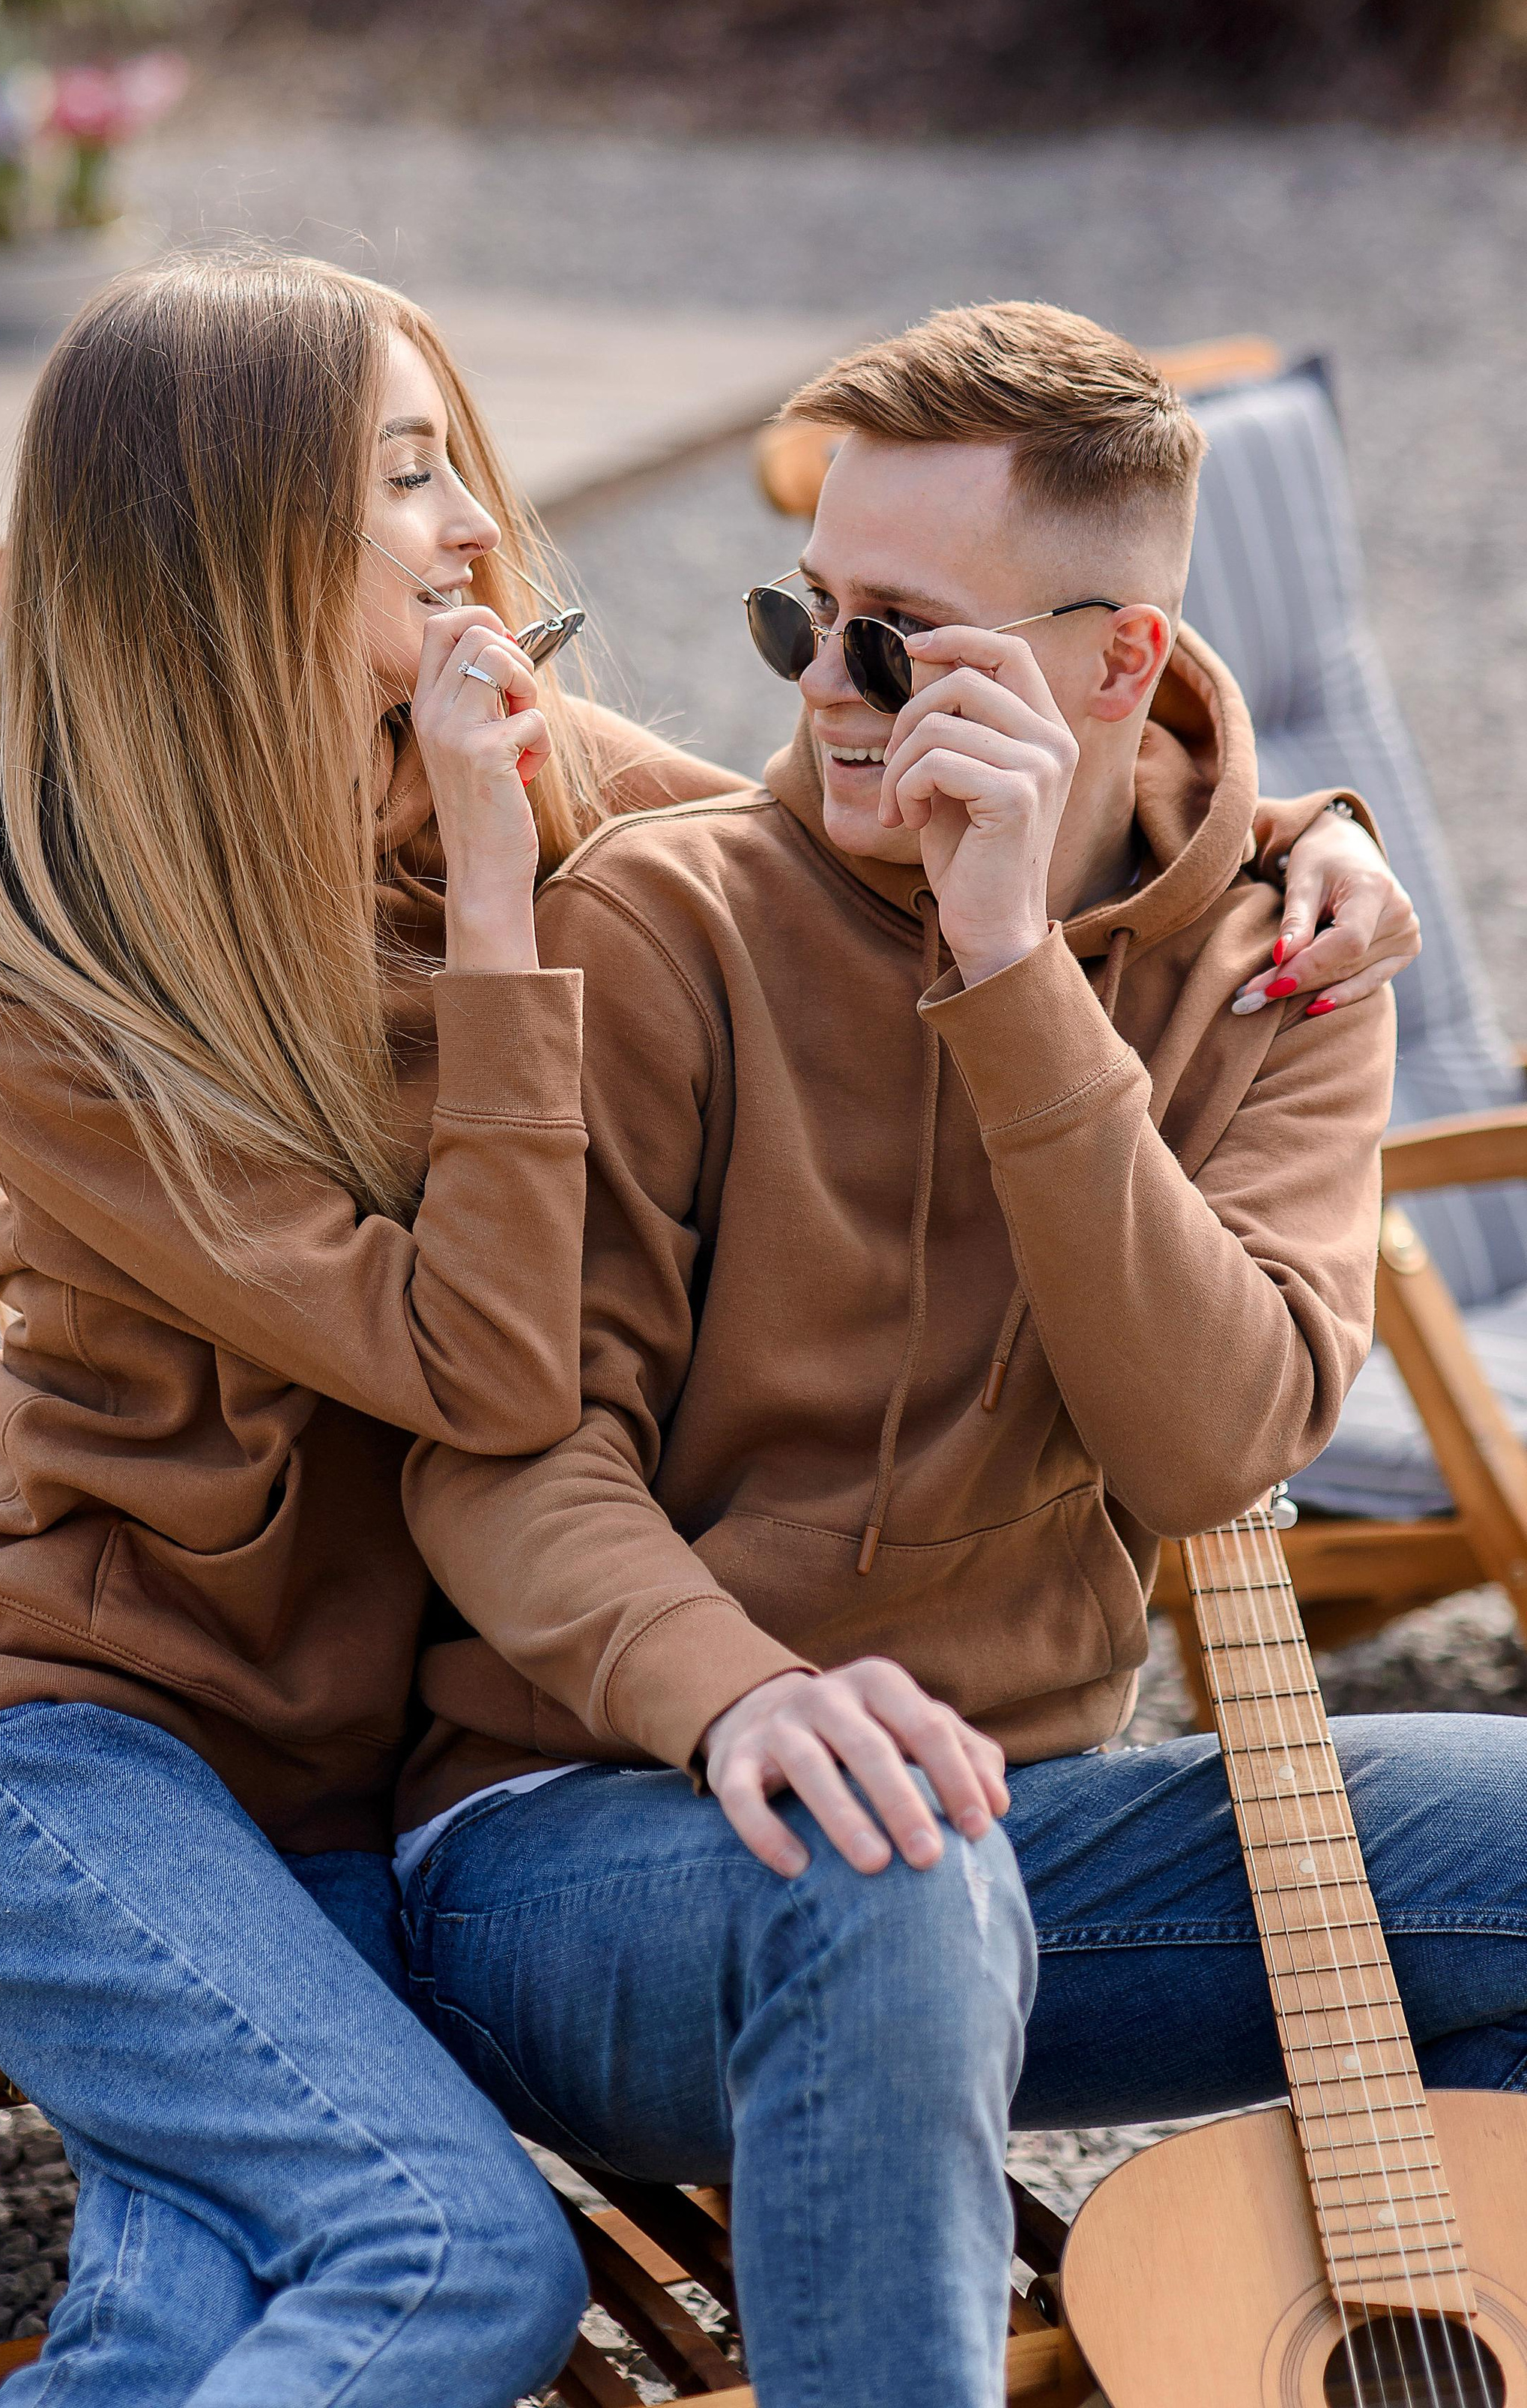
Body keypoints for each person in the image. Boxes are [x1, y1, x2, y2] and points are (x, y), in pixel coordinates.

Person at [0, 255, 1409, 2404]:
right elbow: (488, 1380)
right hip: (83, 1726)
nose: (481, 521)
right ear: (234, 551)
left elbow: (869, 824)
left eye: (456, 460)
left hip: (342, 1759)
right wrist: (500, 912)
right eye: (408, 479)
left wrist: (1277, 830)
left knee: (204, 2283)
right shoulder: (38, 978)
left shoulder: (538, 760)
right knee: (440, 2254)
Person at [394, 303, 1527, 2408]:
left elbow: (1211, 1450)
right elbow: (503, 1455)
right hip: (577, 1848)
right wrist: (751, 1692)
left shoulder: (1288, 957)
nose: (826, 695)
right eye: (801, 620)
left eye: (897, 642)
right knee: (887, 1872)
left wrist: (1014, 973)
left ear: (1122, 667)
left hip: (1018, 1832)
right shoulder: (665, 931)